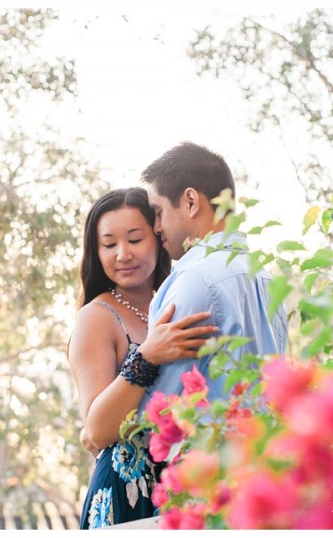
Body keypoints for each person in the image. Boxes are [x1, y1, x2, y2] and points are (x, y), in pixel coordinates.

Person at [67, 187, 216, 529]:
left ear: (158, 236)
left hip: (184, 487)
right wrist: (147, 355)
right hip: (127, 492)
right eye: (109, 244)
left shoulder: (182, 299)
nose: (122, 254)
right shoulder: (97, 316)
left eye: (135, 239)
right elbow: (97, 430)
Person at [135, 141, 289, 412]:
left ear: (191, 202)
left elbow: (158, 411)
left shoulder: (195, 280)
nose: (156, 228)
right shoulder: (266, 278)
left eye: (159, 213)